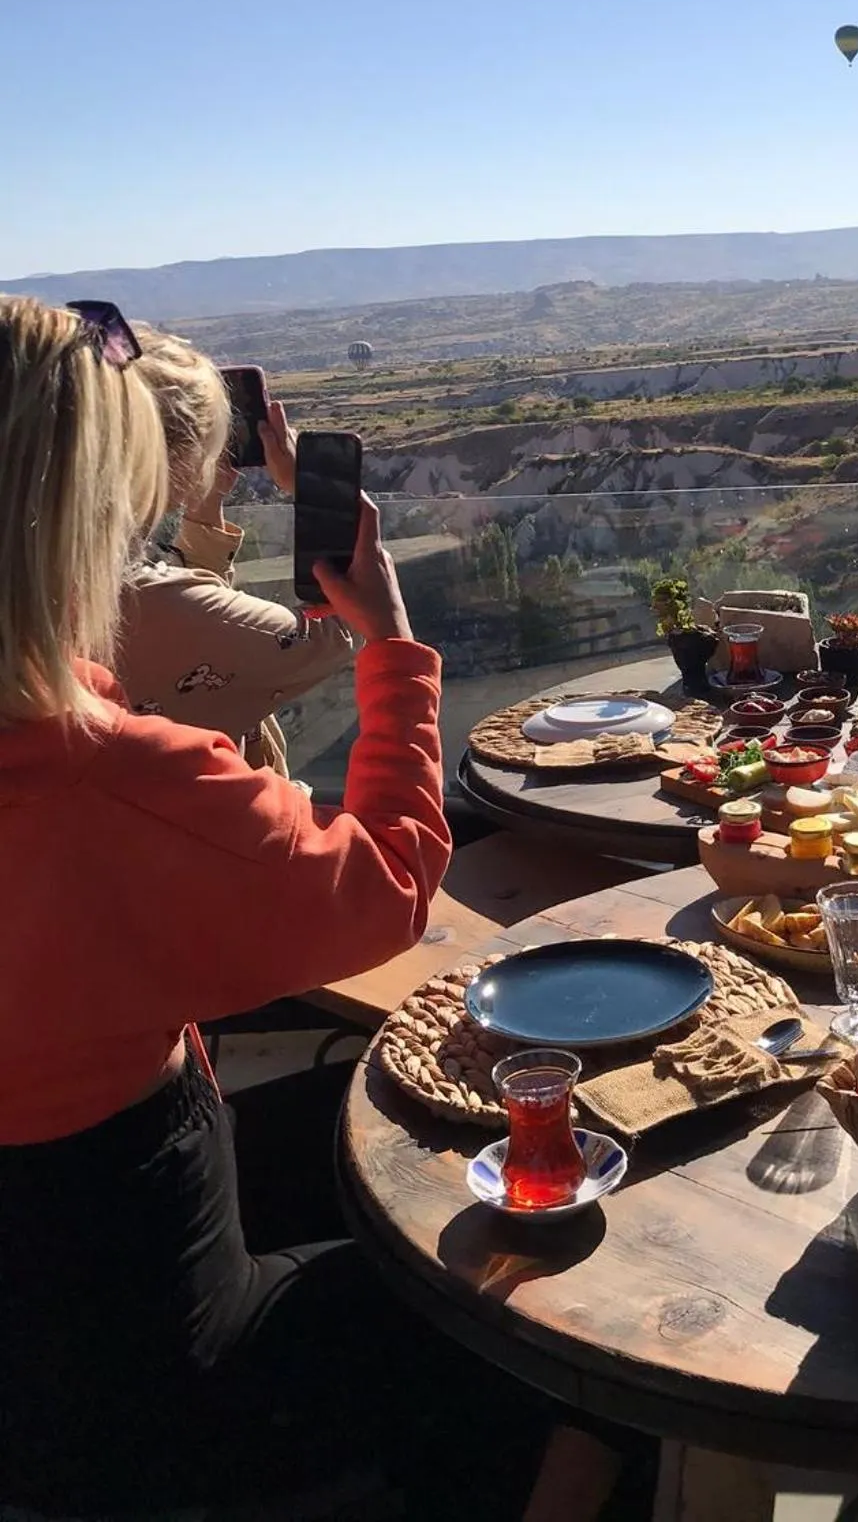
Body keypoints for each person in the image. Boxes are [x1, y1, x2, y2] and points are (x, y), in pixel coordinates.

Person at [0, 296, 638, 1519]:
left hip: (37, 1344)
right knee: (570, 1298)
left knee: (370, 1116)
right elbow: (389, 885)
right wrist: (392, 647)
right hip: (155, 1391)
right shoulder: (113, 775)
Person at [118, 326, 353, 774]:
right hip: (226, 832)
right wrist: (318, 491)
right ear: (177, 460)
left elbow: (193, 618)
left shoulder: (48, 593)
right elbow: (343, 629)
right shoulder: (149, 604)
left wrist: (207, 511)